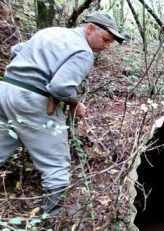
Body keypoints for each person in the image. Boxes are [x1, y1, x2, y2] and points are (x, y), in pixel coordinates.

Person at [0, 12, 124, 215]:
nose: (106, 46)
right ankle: (55, 226)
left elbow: (16, 51)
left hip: (5, 92)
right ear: (90, 28)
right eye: (105, 39)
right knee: (56, 166)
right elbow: (60, 88)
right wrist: (75, 103)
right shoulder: (84, 52)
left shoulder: (50, 32)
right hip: (33, 102)